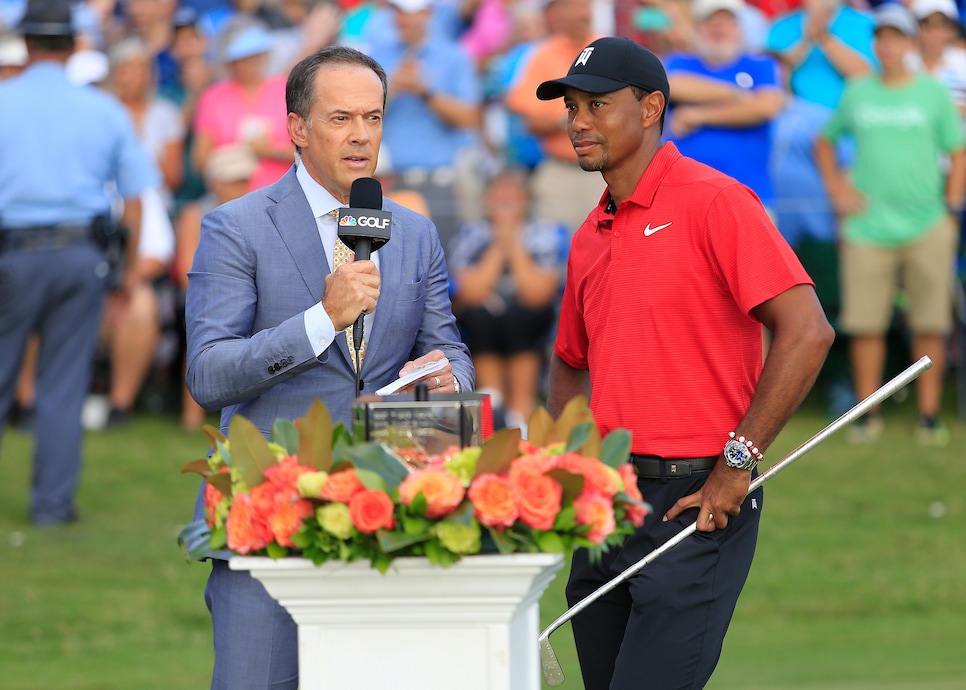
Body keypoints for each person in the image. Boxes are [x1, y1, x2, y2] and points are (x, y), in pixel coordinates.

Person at [537, 36, 833, 689]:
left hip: (698, 499)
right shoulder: (590, 232)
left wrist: (737, 465)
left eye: (597, 105)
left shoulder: (715, 201)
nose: (579, 122)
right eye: (572, 108)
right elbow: (568, 362)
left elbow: (807, 332)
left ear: (649, 109)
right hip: (610, 501)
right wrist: (575, 463)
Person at [184, 45, 474, 689]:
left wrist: (450, 379)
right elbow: (207, 374)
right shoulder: (236, 227)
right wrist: (322, 320)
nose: (361, 136)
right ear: (297, 128)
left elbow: (449, 350)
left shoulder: (416, 231)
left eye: (373, 119)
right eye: (341, 119)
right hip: (271, 518)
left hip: (391, 511)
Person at [0, 0, 157, 525]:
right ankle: (52, 505)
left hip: (12, 252)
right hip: (79, 254)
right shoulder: (103, 109)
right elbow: (134, 198)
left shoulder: (4, 100)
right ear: (72, 45)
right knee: (63, 383)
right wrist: (127, 271)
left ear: (26, 43)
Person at [815, 4, 965, 446]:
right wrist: (838, 192)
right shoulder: (858, 91)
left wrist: (951, 206)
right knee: (865, 324)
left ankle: (929, 416)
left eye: (897, 37)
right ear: (876, 44)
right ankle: (868, 415)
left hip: (927, 224)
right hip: (867, 227)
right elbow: (824, 142)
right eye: (882, 38)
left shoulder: (933, 93)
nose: (889, 45)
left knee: (930, 323)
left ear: (909, 44)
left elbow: (957, 149)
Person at [448, 166, 568, 432]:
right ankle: (494, 402)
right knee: (479, 315)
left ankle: (520, 410)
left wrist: (513, 243)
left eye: (512, 192)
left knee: (520, 317)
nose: (505, 199)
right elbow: (470, 292)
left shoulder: (544, 232)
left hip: (529, 317)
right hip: (482, 318)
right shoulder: (471, 232)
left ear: (526, 199)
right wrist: (498, 245)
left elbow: (537, 293)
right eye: (498, 192)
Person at [664, 0, 785, 215]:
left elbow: (765, 107)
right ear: (697, 28)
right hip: (683, 200)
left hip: (748, 197)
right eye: (711, 22)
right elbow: (673, 86)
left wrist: (698, 115)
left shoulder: (760, 65)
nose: (719, 29)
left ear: (739, 27)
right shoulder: (679, 62)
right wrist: (737, 94)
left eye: (727, 22)